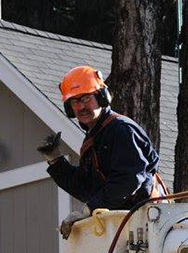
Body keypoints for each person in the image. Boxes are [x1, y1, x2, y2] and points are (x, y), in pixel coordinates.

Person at [37, 66, 162, 238]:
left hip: (147, 223)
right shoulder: (95, 138)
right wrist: (55, 161)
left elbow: (128, 180)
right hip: (123, 226)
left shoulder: (121, 130)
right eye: (75, 102)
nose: (81, 107)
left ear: (102, 97)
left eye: (86, 98)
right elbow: (85, 187)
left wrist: (90, 209)